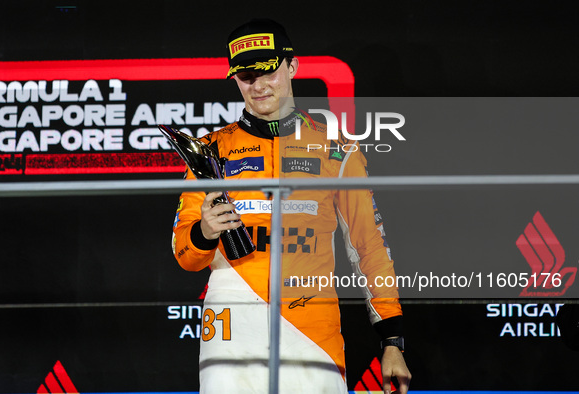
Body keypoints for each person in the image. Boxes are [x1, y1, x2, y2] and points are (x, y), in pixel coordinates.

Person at [171, 18, 411, 393]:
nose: (258, 86)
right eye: (246, 76)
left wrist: (392, 342)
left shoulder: (338, 148)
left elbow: (370, 247)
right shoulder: (210, 152)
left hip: (311, 327)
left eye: (267, 72)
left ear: (293, 66)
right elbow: (185, 256)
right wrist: (204, 232)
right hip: (231, 324)